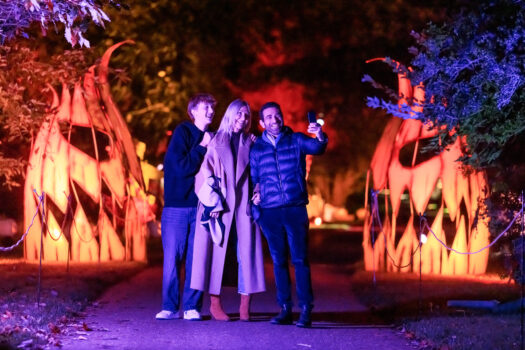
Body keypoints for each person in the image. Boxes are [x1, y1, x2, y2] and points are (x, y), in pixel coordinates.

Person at [249, 101, 327, 328]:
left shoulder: (296, 140)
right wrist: (256, 196)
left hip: (295, 209)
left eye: (277, 115)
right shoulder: (257, 149)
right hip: (270, 213)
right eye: (269, 118)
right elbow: (255, 178)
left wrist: (320, 134)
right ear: (262, 123)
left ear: (282, 117)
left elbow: (318, 148)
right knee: (278, 261)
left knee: (300, 260)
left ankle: (305, 310)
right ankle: (284, 309)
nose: (274, 120)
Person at [191, 99, 265, 321]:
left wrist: (259, 190)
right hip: (220, 207)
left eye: (246, 116)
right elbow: (205, 174)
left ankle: (245, 306)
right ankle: (215, 304)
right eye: (240, 114)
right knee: (216, 254)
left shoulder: (251, 143)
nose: (243, 119)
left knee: (246, 254)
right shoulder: (216, 141)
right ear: (231, 114)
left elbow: (259, 172)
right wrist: (213, 203)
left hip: (244, 206)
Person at [155, 93, 216, 321]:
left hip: (201, 207)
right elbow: (180, 167)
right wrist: (201, 147)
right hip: (177, 207)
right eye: (205, 108)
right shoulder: (184, 132)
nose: (210, 111)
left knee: (196, 258)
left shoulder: (212, 136)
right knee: (172, 259)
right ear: (194, 112)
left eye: (211, 108)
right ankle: (170, 307)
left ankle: (192, 306)